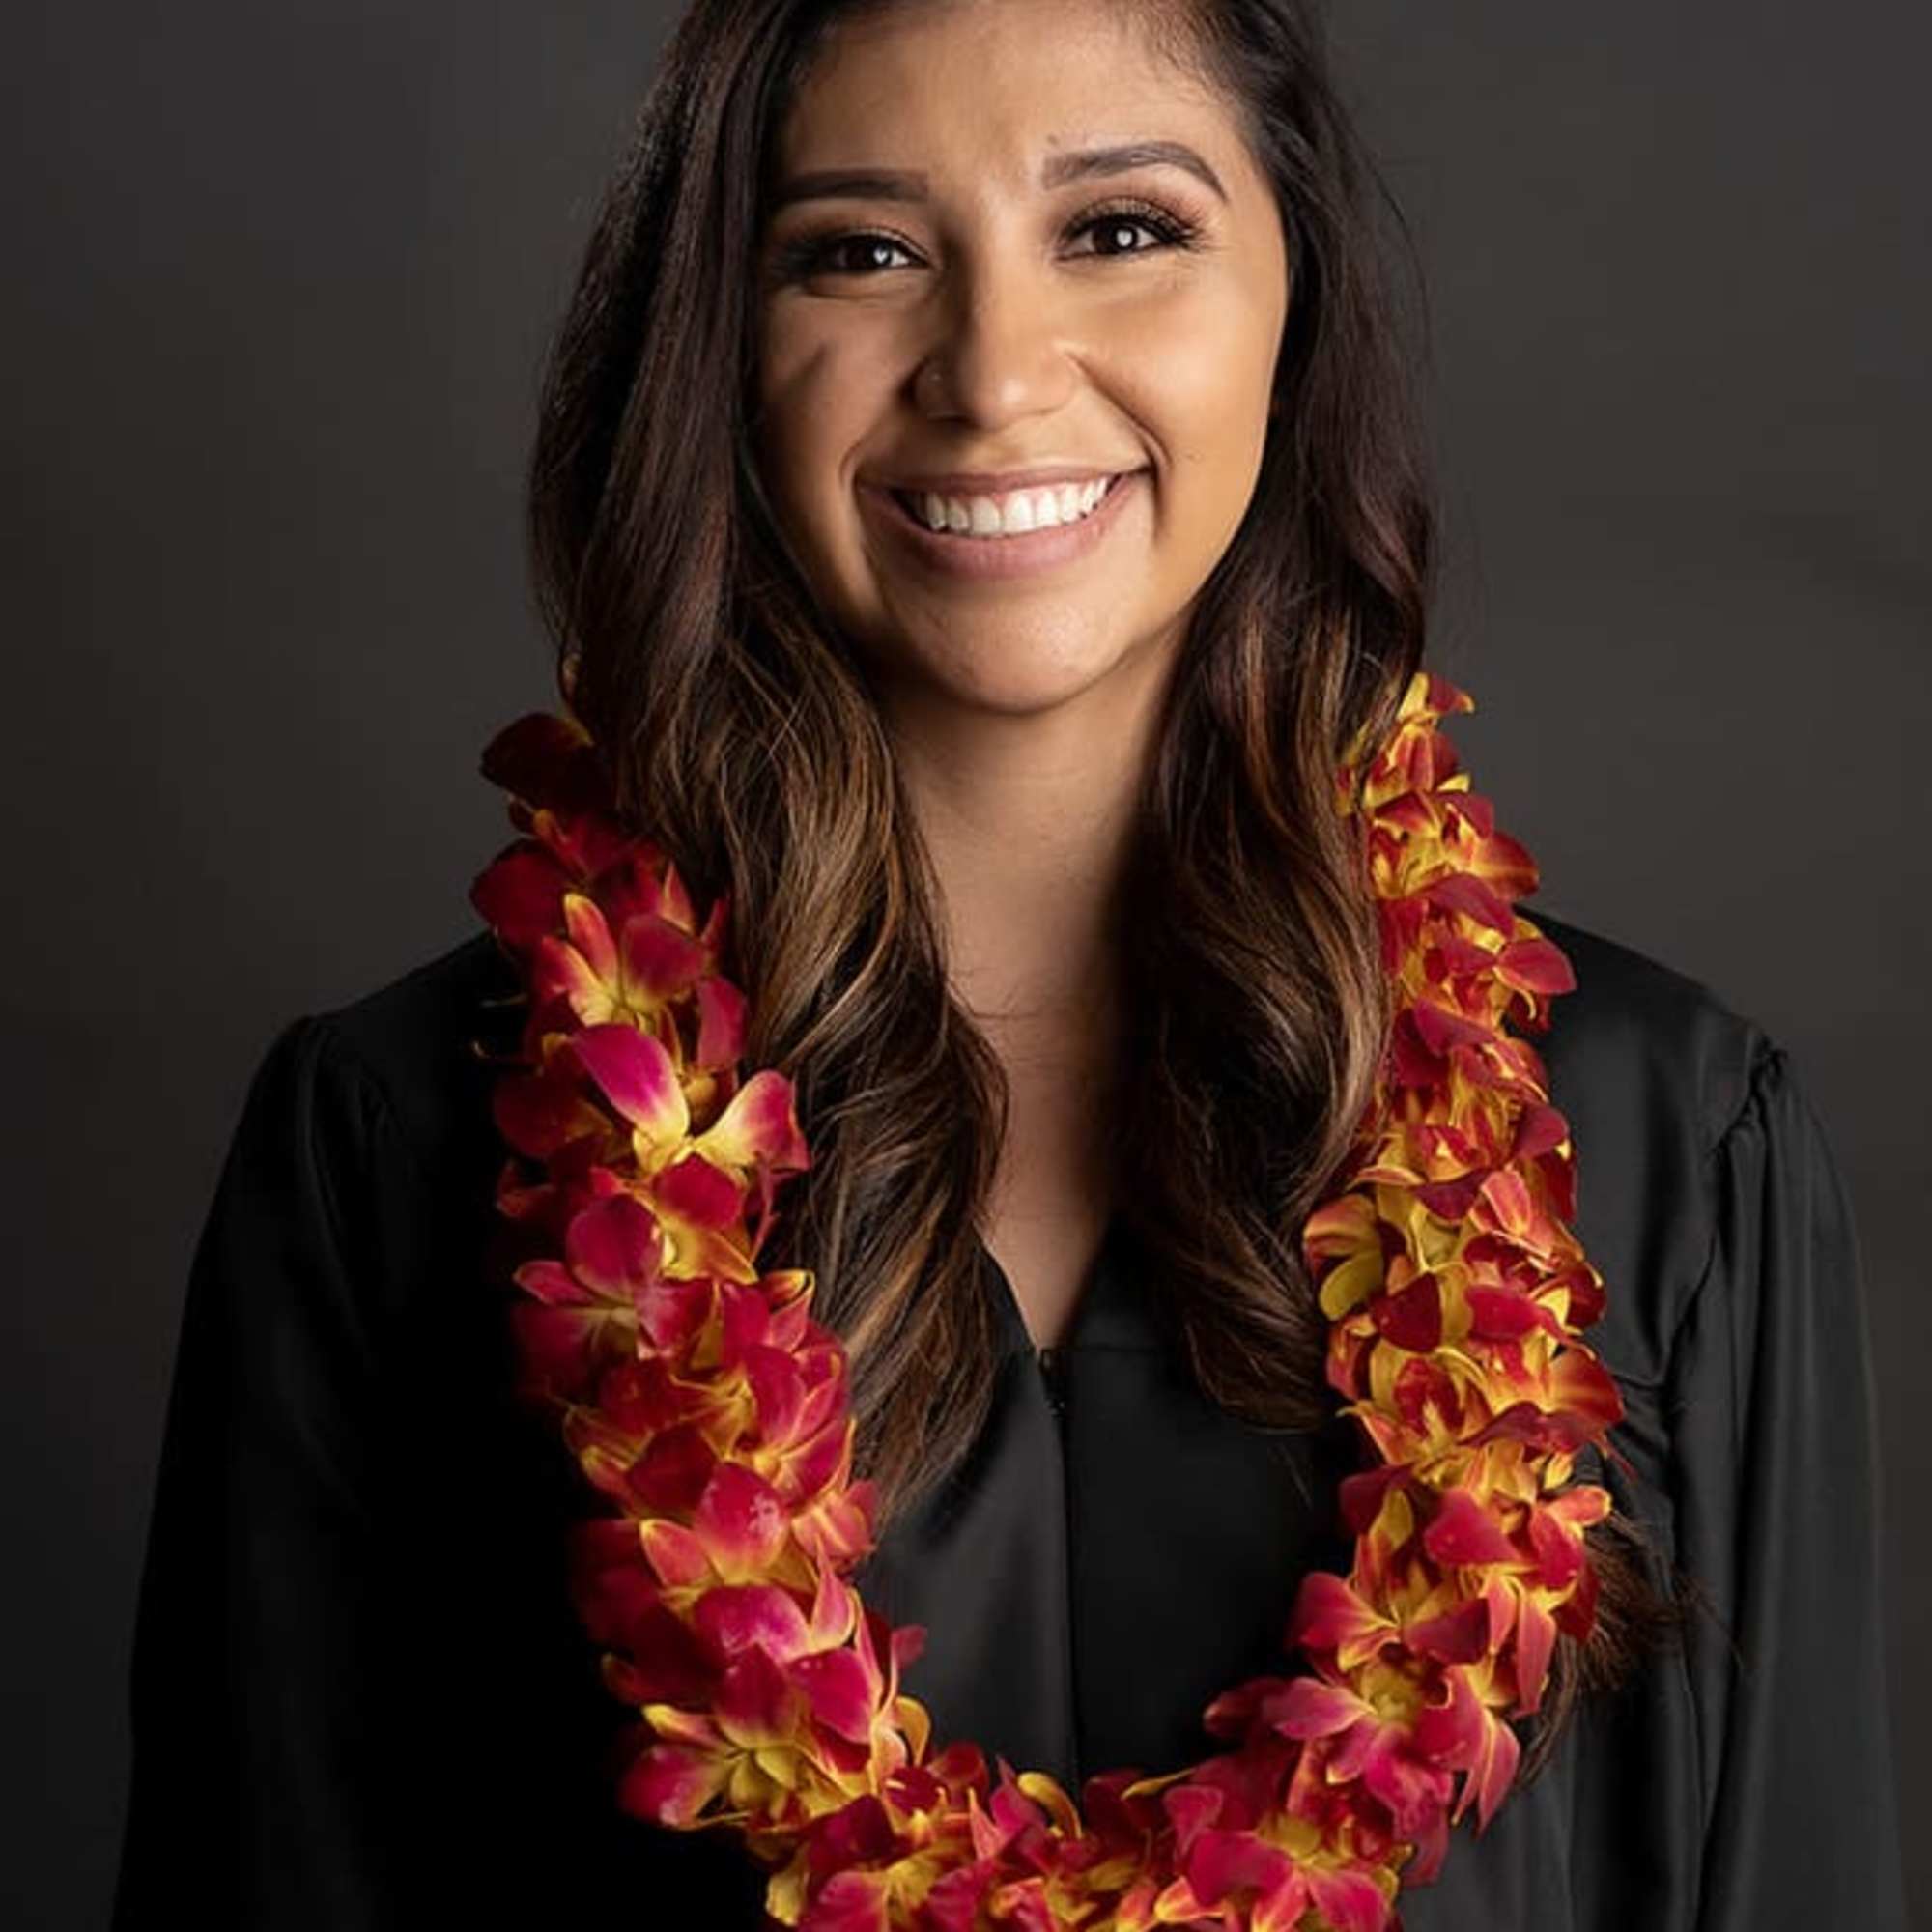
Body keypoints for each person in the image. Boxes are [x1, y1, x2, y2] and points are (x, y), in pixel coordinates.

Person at [111, 1, 1908, 1926]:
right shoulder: (405, 1159)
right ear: (719, 344)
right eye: (859, 251)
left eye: (1121, 228)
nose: (990, 374)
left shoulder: (1654, 1144)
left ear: (1289, 301)